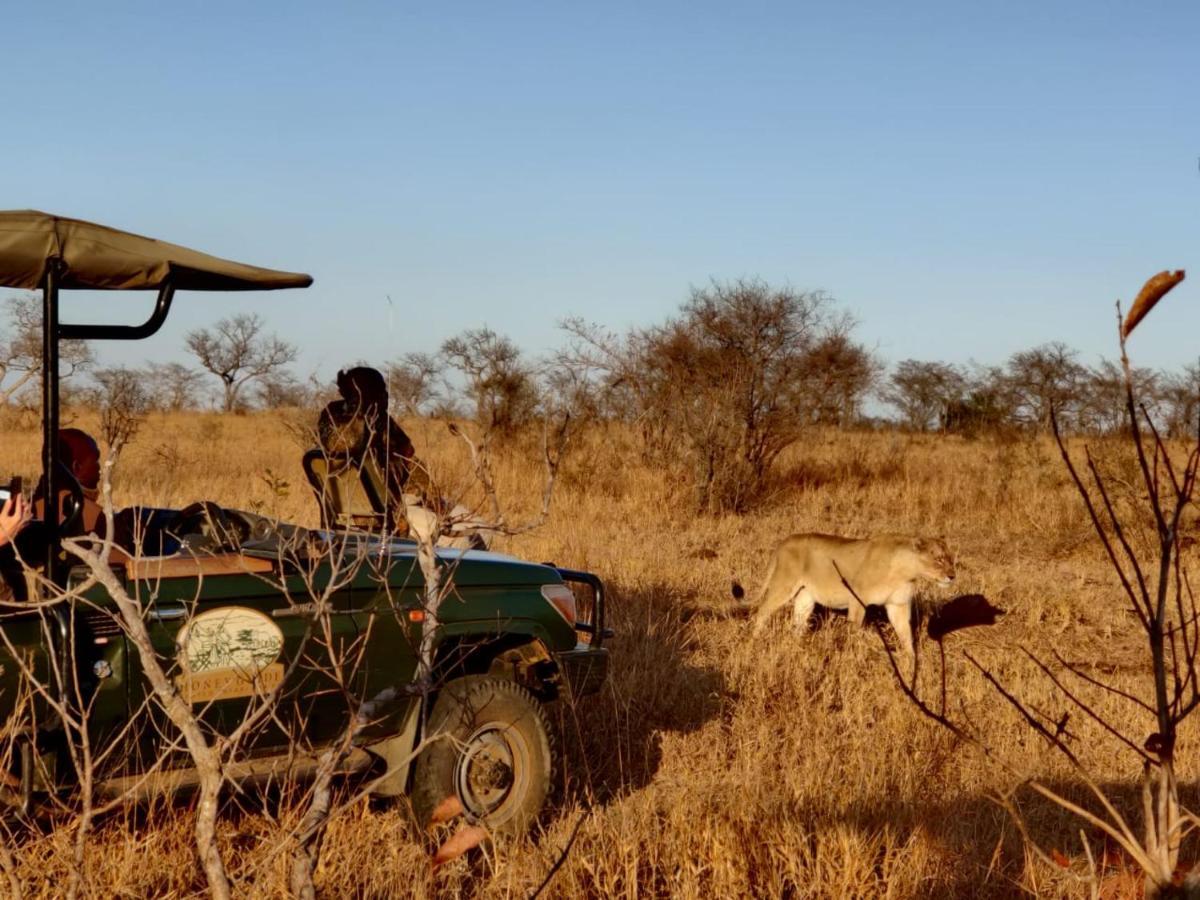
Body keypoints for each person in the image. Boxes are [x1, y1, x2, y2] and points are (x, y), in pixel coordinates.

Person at [317, 367, 485, 548]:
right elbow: (345, 444)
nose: (385, 397)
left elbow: (407, 456)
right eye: (379, 391)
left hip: (404, 500)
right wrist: (362, 414)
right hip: (379, 513)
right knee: (459, 538)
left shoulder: (380, 420)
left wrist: (434, 498)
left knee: (479, 526)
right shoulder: (339, 421)